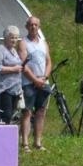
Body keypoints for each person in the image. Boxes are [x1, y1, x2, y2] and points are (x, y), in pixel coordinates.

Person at [20, 16, 52, 150]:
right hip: (29, 82)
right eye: (31, 25)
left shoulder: (43, 43)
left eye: (36, 25)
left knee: (41, 111)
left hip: (43, 80)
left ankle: (38, 141)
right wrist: (35, 80)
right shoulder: (23, 43)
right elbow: (23, 65)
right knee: (27, 112)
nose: (33, 27)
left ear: (39, 27)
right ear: (27, 27)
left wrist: (44, 77)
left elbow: (49, 61)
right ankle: (25, 142)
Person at [0, 26, 25, 126]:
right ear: (5, 37)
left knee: (12, 115)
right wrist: (13, 69)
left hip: (15, 89)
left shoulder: (14, 51)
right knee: (6, 115)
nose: (14, 40)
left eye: (16, 38)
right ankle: (3, 137)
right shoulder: (1, 49)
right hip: (5, 89)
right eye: (12, 37)